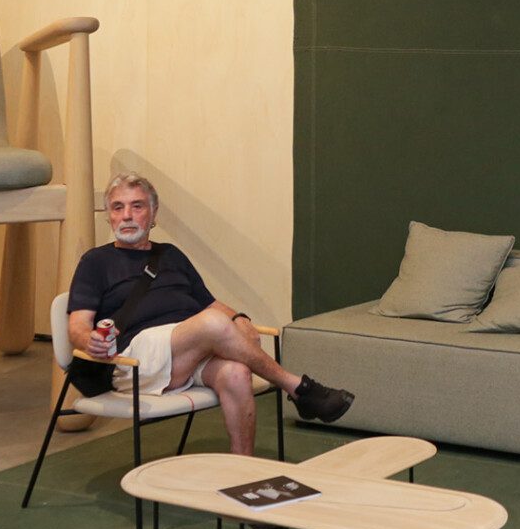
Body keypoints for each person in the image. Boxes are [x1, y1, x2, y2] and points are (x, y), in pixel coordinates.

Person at [66, 174, 353, 455]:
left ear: (153, 213)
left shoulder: (170, 255)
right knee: (214, 323)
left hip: (185, 354)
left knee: (236, 374)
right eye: (118, 207)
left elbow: (209, 303)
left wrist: (239, 318)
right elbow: (77, 326)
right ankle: (297, 388)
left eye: (137, 206)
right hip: (136, 360)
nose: (127, 215)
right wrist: (89, 340)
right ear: (109, 216)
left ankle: (243, 469)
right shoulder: (96, 262)